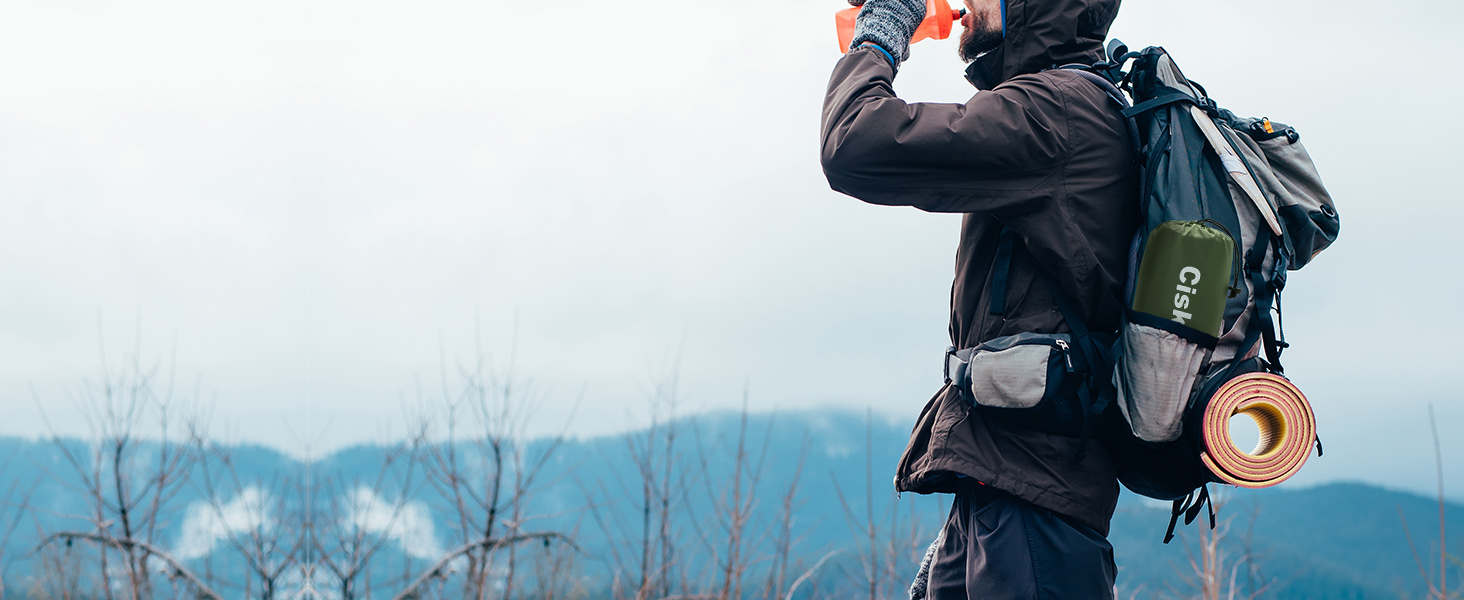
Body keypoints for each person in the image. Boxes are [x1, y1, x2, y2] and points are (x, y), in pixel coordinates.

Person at [819, 0, 1137, 597]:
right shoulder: (1065, 107)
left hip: (1033, 513)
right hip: (1005, 496)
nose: (961, 3)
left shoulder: (1056, 113)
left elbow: (854, 145)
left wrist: (883, 35)